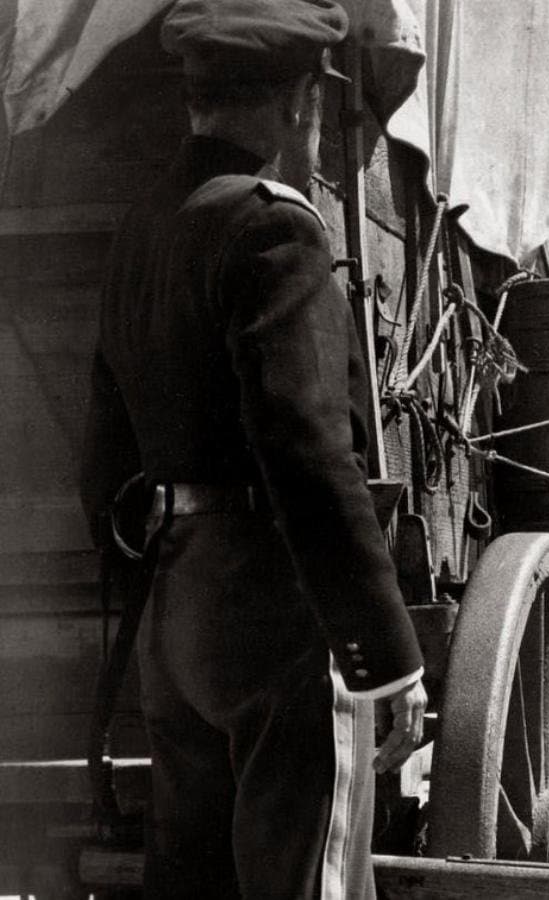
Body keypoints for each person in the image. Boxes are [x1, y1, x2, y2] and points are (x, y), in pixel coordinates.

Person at [78, 1, 427, 895]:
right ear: (298, 103)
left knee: (190, 879)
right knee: (301, 877)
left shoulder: (144, 230)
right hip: (272, 609)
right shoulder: (275, 224)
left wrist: (152, 589)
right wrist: (385, 658)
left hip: (176, 606)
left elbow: (104, 455)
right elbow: (310, 452)